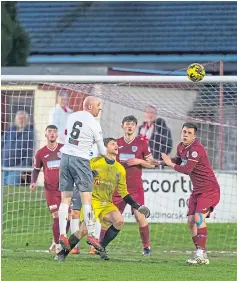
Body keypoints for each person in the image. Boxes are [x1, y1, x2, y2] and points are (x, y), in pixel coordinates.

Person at [56, 138, 150, 261]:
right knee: (84, 230)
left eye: (117, 144)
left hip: (106, 203)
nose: (116, 145)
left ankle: (101, 247)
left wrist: (137, 206)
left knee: (119, 221)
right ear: (105, 148)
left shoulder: (120, 169)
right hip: (92, 202)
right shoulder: (94, 162)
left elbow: (124, 193)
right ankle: (63, 253)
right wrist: (88, 174)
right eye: (113, 144)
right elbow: (80, 175)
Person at [160, 122, 220, 265]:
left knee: (199, 217)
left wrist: (170, 164)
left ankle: (200, 254)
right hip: (197, 190)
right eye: (184, 132)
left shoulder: (196, 149)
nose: (185, 135)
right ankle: (201, 254)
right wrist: (158, 162)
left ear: (194, 135)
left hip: (209, 189)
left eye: (189, 133)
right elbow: (177, 160)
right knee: (191, 221)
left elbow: (186, 169)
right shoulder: (181, 147)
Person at [58, 95, 107, 252]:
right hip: (80, 160)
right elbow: (101, 151)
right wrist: (107, 155)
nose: (100, 108)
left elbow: (69, 136)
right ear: (90, 106)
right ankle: (92, 235)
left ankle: (61, 235)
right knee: (87, 200)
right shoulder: (94, 123)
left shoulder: (72, 116)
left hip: (65, 158)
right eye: (98, 105)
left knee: (65, 199)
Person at [112, 115, 155, 256]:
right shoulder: (116, 143)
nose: (129, 126)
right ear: (122, 126)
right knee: (111, 218)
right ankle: (100, 245)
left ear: (136, 127)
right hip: (118, 188)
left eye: (132, 124)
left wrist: (139, 161)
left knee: (140, 216)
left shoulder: (142, 143)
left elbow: (151, 163)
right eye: (127, 124)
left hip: (135, 188)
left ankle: (147, 248)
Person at [30, 125, 63, 254]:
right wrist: (33, 182)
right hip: (51, 190)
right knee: (56, 216)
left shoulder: (64, 149)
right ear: (45, 134)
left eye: (54, 131)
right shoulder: (41, 153)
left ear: (57, 134)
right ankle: (57, 244)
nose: (52, 134)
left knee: (67, 217)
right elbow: (36, 169)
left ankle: (57, 241)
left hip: (65, 188)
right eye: (50, 131)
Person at [2, 111, 34, 185]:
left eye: (22, 118)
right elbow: (2, 143)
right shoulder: (9, 130)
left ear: (27, 120)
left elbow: (30, 154)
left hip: (16, 168)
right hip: (3, 165)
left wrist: (22, 168)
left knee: (11, 189)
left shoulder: (30, 133)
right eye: (19, 118)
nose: (20, 120)